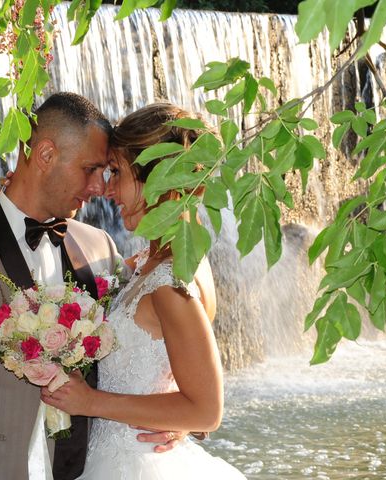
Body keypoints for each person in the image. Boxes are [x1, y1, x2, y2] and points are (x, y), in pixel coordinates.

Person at [0, 93, 181, 480]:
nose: (99, 188)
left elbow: (157, 326)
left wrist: (179, 415)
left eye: (105, 172)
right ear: (46, 154)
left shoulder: (99, 248)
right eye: (90, 169)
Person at [40, 103, 246, 479]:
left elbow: (206, 411)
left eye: (117, 172)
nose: (107, 189)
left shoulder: (171, 283)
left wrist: (90, 401)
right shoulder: (151, 262)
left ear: (159, 179)